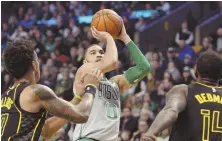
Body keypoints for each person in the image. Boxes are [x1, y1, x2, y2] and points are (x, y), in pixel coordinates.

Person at [44, 19, 151, 141]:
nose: (99, 54)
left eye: (101, 52)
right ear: (85, 61)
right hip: (88, 138)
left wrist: (125, 37)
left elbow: (144, 68)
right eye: (93, 53)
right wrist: (109, 37)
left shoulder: (115, 83)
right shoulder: (83, 72)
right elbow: (112, 62)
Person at [1, 39, 102, 141]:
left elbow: (46, 130)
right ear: (34, 65)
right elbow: (82, 115)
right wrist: (91, 87)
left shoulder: (4, 98)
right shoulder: (35, 92)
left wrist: (78, 97)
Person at [141, 50, 222, 141]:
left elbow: (171, 111)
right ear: (220, 75)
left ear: (196, 72)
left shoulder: (183, 90)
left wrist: (150, 133)